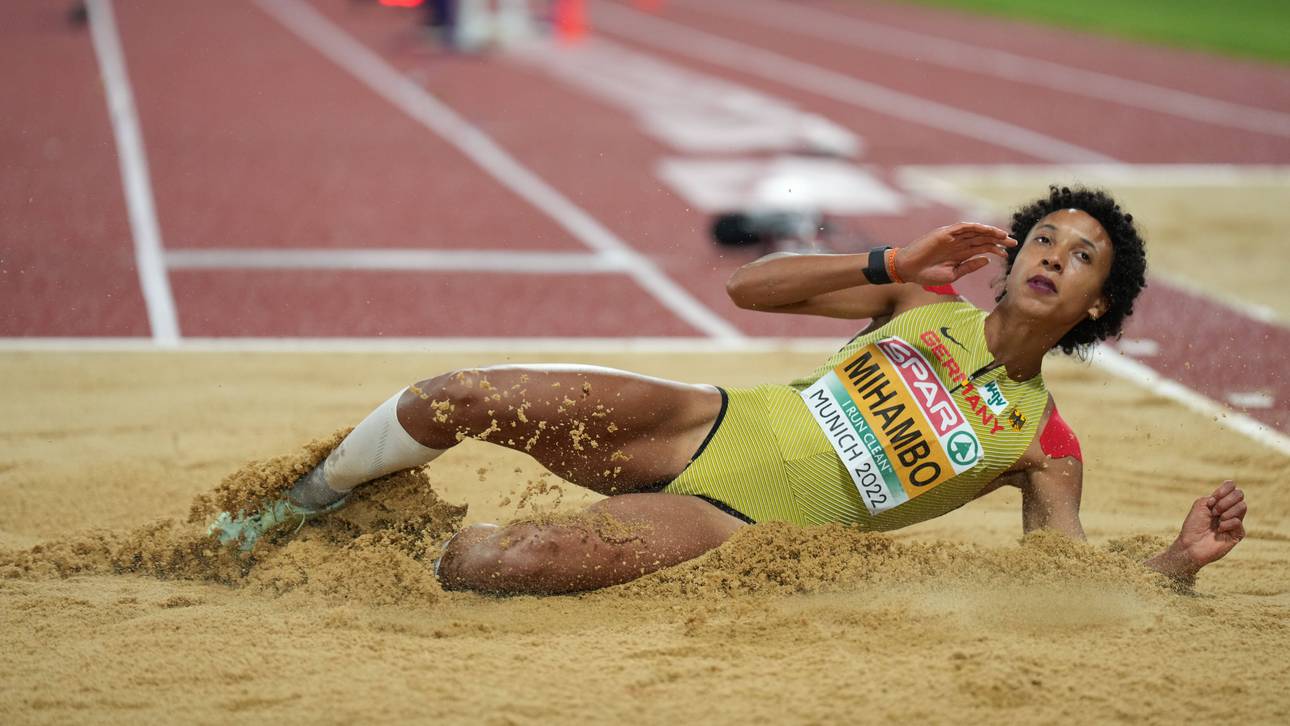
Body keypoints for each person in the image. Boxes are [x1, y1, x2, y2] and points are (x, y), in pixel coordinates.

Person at [210, 186, 1248, 594]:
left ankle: (372, 551)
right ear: (1014, 250)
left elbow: (1058, 578)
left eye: (1084, 258)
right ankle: (286, 516)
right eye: (1047, 237)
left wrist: (1176, 561)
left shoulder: (1042, 440)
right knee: (457, 396)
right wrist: (889, 259)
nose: (1054, 255)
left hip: (731, 520)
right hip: (700, 421)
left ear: (1098, 313)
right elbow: (749, 287)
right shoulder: (921, 301)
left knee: (514, 560)